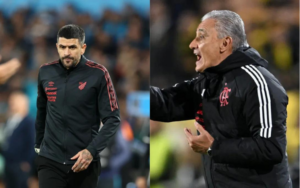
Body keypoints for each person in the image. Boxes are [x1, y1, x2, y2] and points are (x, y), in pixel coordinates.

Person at [150, 10, 292, 188]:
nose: (192, 44)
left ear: (224, 43)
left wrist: (213, 147)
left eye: (201, 37)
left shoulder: (258, 83)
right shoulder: (207, 83)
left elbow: (271, 148)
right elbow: (166, 103)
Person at [35, 24, 120, 188]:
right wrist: (38, 145)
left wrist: (91, 151)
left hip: (84, 163)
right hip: (50, 160)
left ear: (83, 48)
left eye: (72, 47)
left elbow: (112, 119)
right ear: (57, 47)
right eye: (62, 47)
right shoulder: (45, 72)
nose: (67, 53)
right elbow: (42, 111)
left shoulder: (99, 74)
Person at [1, 91, 35, 188]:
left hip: (21, 164)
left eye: (14, 101)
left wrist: (27, 162)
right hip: (8, 163)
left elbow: (32, 142)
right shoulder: (10, 120)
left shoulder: (29, 122)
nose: (11, 103)